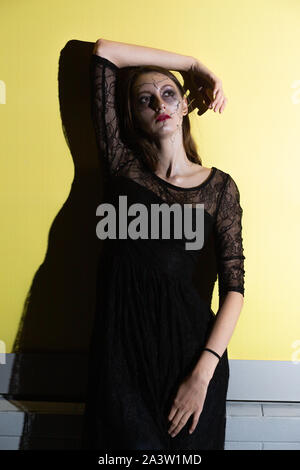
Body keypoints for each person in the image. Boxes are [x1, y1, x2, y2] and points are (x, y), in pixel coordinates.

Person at [81, 38, 245, 451]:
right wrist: (191, 63)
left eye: (169, 93)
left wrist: (202, 375)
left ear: (186, 106)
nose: (160, 104)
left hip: (191, 369)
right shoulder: (121, 167)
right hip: (121, 367)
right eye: (145, 99)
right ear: (134, 118)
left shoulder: (219, 189)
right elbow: (104, 53)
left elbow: (235, 290)